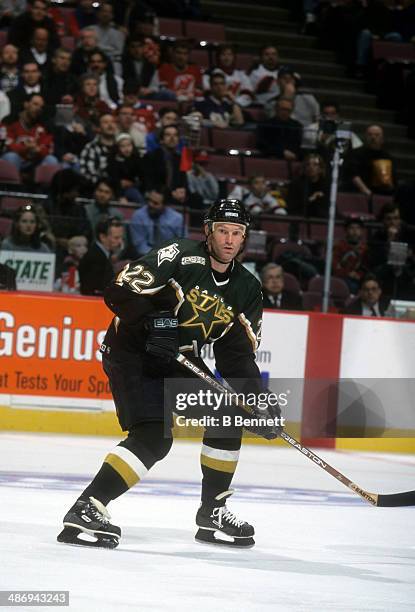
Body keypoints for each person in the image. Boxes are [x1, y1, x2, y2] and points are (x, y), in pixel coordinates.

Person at [57, 198, 281, 550]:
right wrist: (151, 320)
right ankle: (87, 506)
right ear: (208, 232)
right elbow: (118, 290)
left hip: (179, 360)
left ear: (244, 238)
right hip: (131, 352)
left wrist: (257, 399)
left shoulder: (247, 289)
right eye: (222, 230)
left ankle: (213, 510)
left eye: (237, 233)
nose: (229, 239)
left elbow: (236, 357)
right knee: (153, 436)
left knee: (226, 414)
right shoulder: (178, 254)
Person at [1, 93, 58, 174]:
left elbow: (48, 147)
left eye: (41, 107)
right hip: (14, 159)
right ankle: (11, 186)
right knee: (11, 157)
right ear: (26, 104)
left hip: (34, 163)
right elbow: (5, 144)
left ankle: (43, 186)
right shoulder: (10, 120)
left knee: (51, 160)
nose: (38, 108)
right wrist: (25, 148)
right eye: (35, 104)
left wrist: (38, 149)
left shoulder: (44, 125)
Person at [129, 187, 186, 256]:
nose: (150, 204)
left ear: (165, 205)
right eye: (149, 200)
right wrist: (157, 257)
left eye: (155, 203)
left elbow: (183, 244)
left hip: (170, 257)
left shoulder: (177, 219)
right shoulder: (138, 216)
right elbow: (140, 245)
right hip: (144, 257)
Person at [343, 125, 397, 196]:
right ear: (366, 137)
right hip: (359, 192)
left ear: (382, 138)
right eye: (370, 134)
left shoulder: (387, 157)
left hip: (381, 193)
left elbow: (392, 179)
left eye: (377, 135)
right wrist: (365, 190)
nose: (373, 137)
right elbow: (353, 174)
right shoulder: (356, 153)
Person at [79, 217, 124, 296]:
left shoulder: (105, 254)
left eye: (121, 237)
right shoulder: (94, 258)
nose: (120, 242)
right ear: (103, 237)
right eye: (116, 238)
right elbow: (96, 289)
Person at [203, 44, 254, 108]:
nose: (226, 58)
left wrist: (235, 103)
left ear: (234, 57)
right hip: (216, 108)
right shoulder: (209, 73)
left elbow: (248, 95)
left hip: (238, 107)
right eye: (223, 54)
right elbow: (208, 94)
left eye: (230, 55)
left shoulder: (241, 74)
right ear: (218, 57)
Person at [256, 96, 303, 160]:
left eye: (288, 110)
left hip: (291, 158)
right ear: (276, 109)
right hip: (269, 158)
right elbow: (261, 144)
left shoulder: (297, 126)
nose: (285, 112)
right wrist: (281, 152)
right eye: (283, 109)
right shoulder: (264, 125)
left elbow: (298, 145)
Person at [79, 112, 117, 187]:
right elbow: (87, 174)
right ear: (99, 128)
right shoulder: (91, 147)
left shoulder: (121, 146)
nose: (110, 125)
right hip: (97, 189)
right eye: (105, 122)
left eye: (112, 122)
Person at [332, 218, 369, 294]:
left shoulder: (365, 248)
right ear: (346, 231)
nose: (355, 231)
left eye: (358, 228)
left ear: (362, 231)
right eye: (351, 228)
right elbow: (334, 267)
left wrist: (359, 275)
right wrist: (348, 274)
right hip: (342, 278)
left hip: (359, 278)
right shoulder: (339, 246)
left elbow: (366, 267)